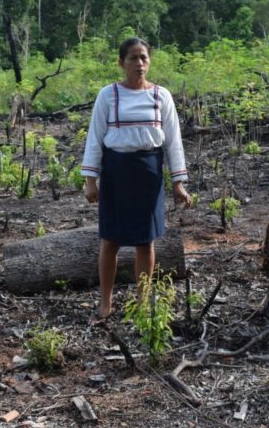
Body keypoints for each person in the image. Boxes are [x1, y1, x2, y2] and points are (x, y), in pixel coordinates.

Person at [81, 36, 193, 322]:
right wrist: (90, 179)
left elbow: (173, 141)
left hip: (149, 172)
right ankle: (105, 302)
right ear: (121, 63)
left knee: (145, 242)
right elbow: (95, 137)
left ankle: (143, 302)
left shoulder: (161, 95)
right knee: (111, 240)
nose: (139, 63)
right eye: (133, 58)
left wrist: (178, 182)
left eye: (144, 57)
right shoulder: (109, 95)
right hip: (117, 170)